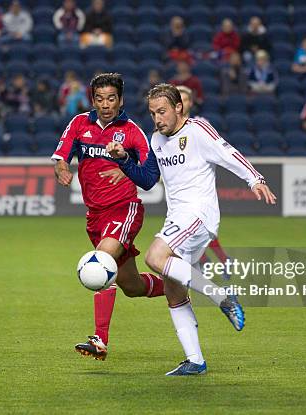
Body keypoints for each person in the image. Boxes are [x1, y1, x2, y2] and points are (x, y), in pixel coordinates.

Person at [106, 84, 276, 375]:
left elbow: (229, 153)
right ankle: (195, 360)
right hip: (179, 219)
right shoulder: (157, 140)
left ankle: (221, 296)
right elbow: (147, 179)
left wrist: (255, 179)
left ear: (178, 108)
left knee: (155, 257)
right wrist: (124, 160)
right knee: (174, 289)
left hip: (198, 215)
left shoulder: (198, 130)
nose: (157, 119)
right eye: (152, 113)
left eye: (162, 112)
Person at [52, 73, 166, 361]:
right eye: (100, 99)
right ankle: (179, 285)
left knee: (102, 261)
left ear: (121, 100)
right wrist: (62, 169)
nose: (106, 104)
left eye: (111, 98)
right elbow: (61, 155)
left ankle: (99, 340)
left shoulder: (131, 131)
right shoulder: (79, 124)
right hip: (95, 216)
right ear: (93, 100)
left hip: (124, 208)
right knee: (132, 286)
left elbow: (150, 169)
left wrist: (125, 166)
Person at [177, 85, 236, 273]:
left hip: (198, 181)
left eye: (185, 99)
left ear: (191, 103)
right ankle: (209, 262)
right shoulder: (165, 125)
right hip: (179, 184)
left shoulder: (201, 123)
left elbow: (214, 148)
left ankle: (215, 262)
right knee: (187, 229)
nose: (181, 103)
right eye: (178, 99)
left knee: (201, 225)